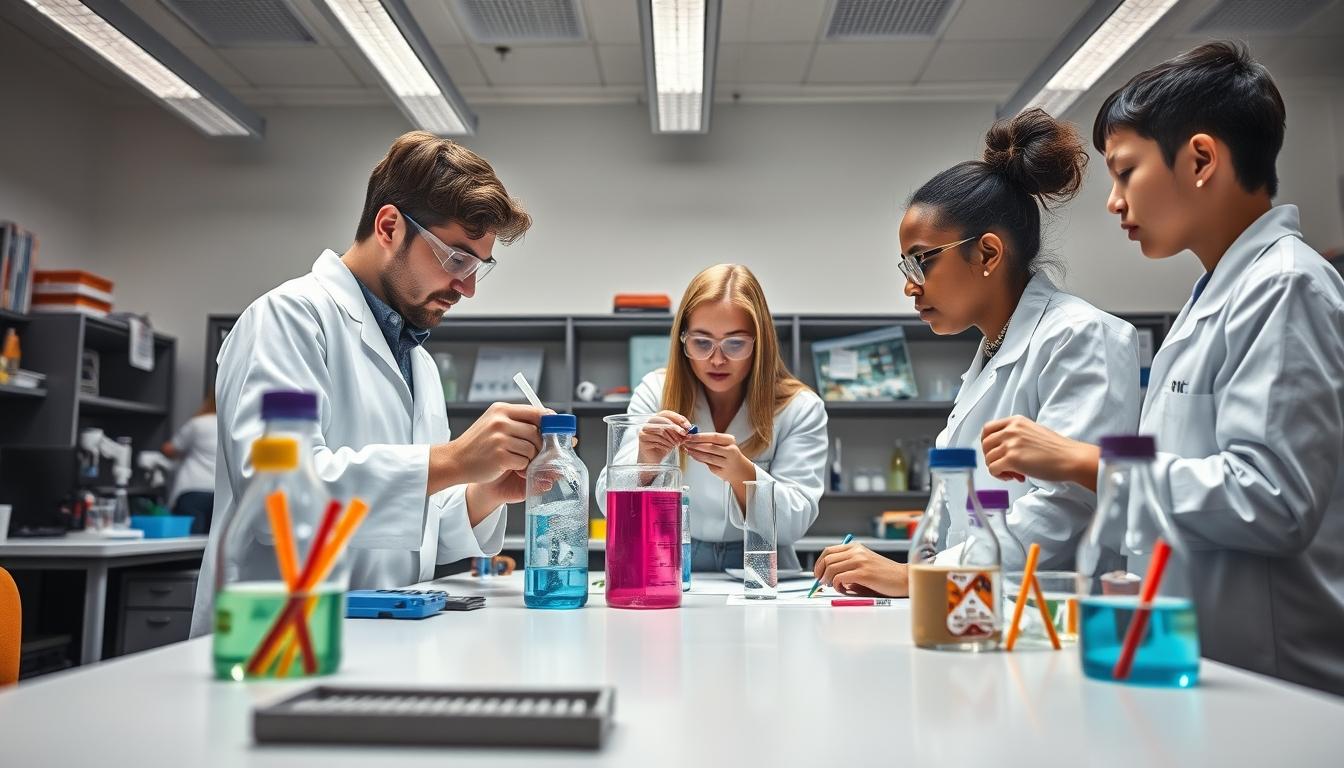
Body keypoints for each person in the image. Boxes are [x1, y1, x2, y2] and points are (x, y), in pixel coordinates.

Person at [979, 43, 1344, 696]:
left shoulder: (1286, 286)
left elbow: (1273, 499)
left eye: (1126, 173)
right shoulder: (1217, 295)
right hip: (1203, 665)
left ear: (1201, 159)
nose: (1115, 202)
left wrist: (1082, 462)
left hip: (1276, 679)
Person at [191, 132, 540, 636]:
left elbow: (415, 535)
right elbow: (277, 503)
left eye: (477, 268)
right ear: (390, 226)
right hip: (275, 637)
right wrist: (455, 461)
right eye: (457, 259)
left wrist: (488, 490)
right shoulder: (288, 320)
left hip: (384, 639)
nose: (466, 287)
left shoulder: (416, 360)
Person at [813, 109, 1140, 596]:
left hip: (1052, 617)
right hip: (977, 610)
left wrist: (915, 579)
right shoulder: (990, 354)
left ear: (987, 254)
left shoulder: (1080, 335)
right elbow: (954, 516)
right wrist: (913, 577)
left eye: (921, 262)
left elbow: (1064, 508)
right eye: (905, 266)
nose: (910, 286)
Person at [596, 264, 828, 572]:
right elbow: (607, 504)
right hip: (672, 560)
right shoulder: (656, 391)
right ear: (683, 340)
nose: (717, 359)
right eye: (702, 342)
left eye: (735, 343)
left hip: (761, 566)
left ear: (760, 344)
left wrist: (742, 474)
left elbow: (793, 525)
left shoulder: (800, 407)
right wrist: (645, 459)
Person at [160, 389, 218, 534]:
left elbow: (170, 449)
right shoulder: (232, 426)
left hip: (192, 491)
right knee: (208, 542)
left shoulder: (199, 423)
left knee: (189, 540)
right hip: (218, 494)